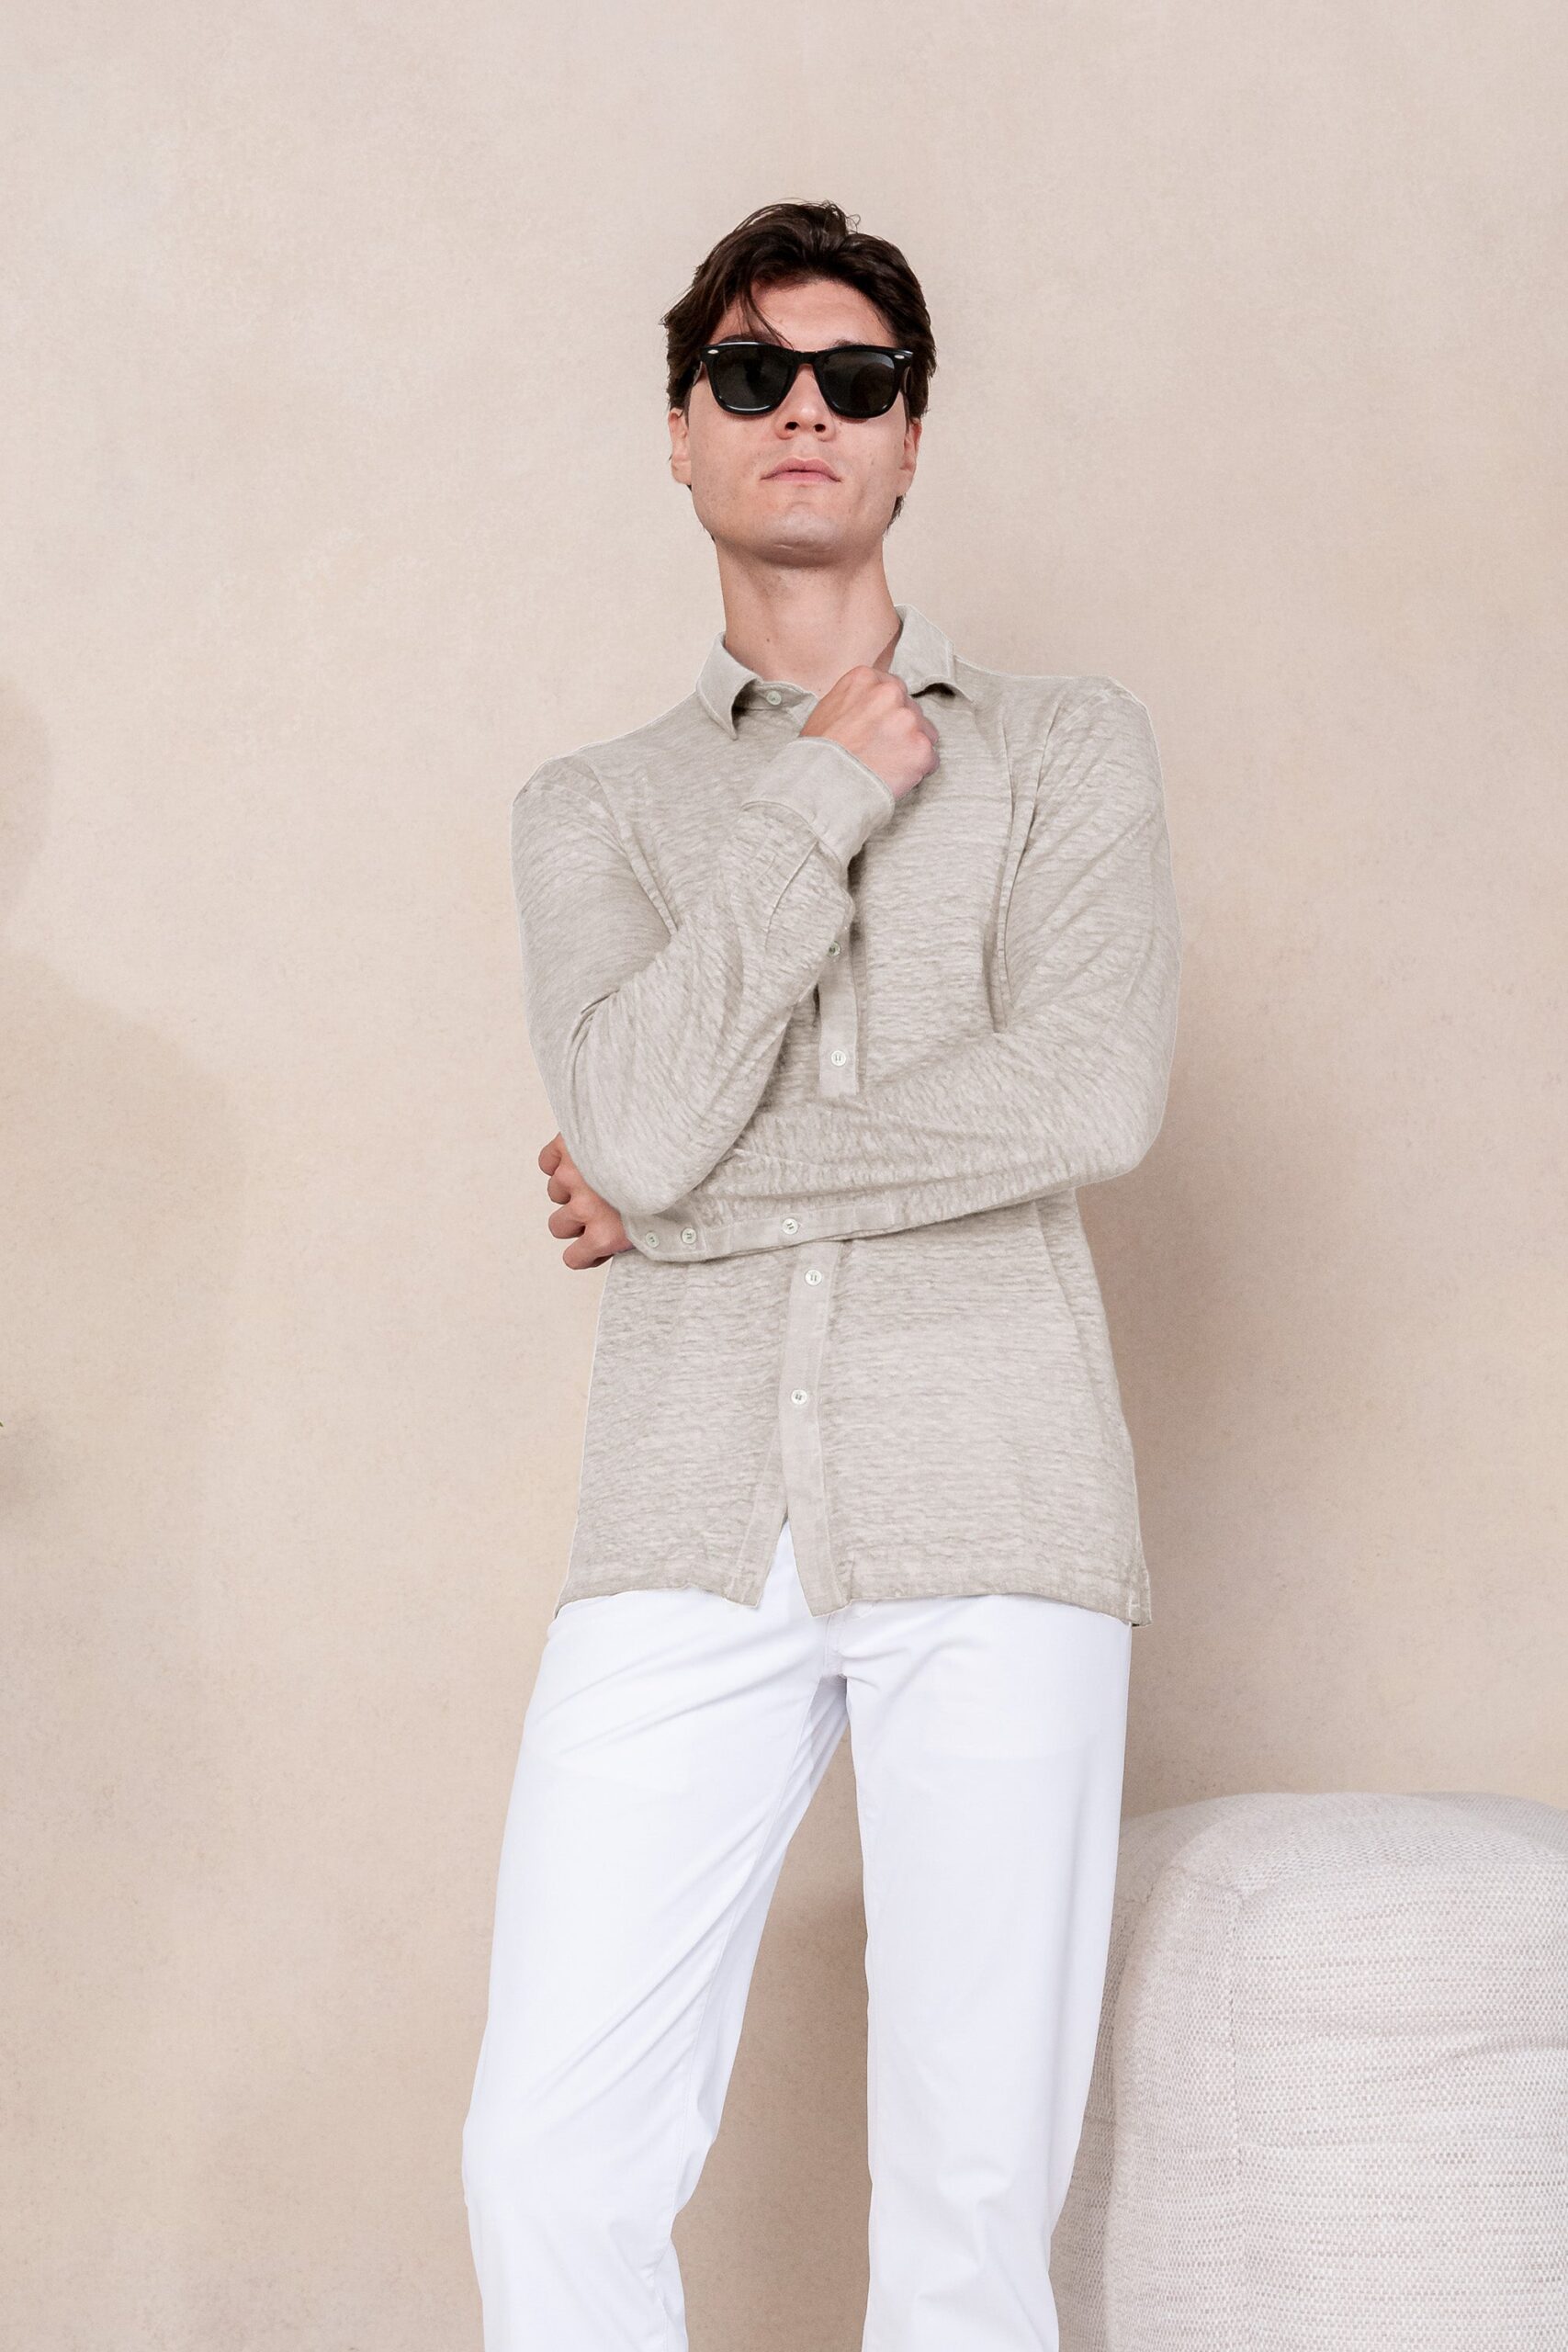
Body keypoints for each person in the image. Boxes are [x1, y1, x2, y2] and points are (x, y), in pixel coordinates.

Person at [461, 198, 1181, 2352]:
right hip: (685, 1507)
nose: (803, 409)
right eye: (751, 373)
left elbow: (1086, 1096)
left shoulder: (1066, 748)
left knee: (969, 2196)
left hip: (998, 1494)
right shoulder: (590, 808)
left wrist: (672, 1193)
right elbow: (632, 1113)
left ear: (909, 436)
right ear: (679, 430)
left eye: (853, 378)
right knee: (546, 2152)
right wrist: (814, 803)